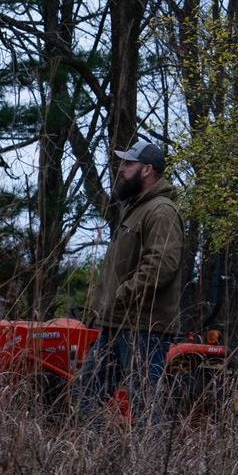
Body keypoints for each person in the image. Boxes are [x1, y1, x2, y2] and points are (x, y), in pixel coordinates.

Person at [74, 138, 183, 421]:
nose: (121, 169)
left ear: (147, 170)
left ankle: (153, 464)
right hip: (117, 323)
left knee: (148, 408)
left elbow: (161, 266)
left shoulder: (160, 211)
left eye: (129, 164)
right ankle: (98, 462)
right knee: (86, 394)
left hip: (143, 327)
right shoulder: (136, 209)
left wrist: (122, 294)